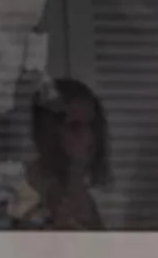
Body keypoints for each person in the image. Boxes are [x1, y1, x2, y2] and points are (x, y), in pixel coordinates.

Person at [15, 78, 110, 231]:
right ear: (48, 132)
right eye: (74, 127)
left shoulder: (79, 191)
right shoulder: (30, 195)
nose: (89, 137)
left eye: (92, 125)